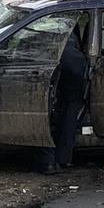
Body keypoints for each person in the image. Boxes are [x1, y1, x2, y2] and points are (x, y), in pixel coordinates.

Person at [38, 28, 88, 174]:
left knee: (42, 114)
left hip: (57, 68)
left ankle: (48, 162)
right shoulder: (69, 21)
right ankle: (62, 159)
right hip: (74, 67)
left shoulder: (44, 20)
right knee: (69, 114)